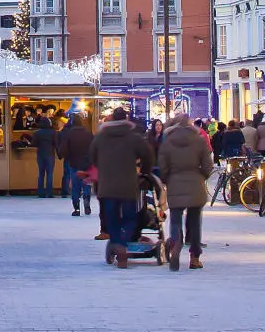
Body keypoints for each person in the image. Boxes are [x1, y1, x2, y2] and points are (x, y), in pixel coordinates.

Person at [90, 106, 155, 268]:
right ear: (126, 119)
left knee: (111, 219)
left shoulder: (101, 137)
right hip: (128, 184)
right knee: (130, 217)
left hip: (107, 185)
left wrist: (103, 169)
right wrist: (145, 171)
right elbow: (148, 155)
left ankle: (118, 243)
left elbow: (92, 156)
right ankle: (123, 244)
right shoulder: (133, 137)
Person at [157, 112, 211, 270]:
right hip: (196, 184)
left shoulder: (167, 143)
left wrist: (167, 179)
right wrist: (201, 176)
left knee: (175, 220)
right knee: (195, 222)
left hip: (175, 184)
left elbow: (163, 167)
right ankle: (194, 257)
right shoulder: (199, 141)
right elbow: (208, 165)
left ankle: (175, 247)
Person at [58, 111, 96, 218]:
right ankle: (87, 199)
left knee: (75, 187)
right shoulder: (88, 134)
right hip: (87, 164)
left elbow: (63, 149)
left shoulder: (69, 135)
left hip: (74, 164)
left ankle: (77, 208)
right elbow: (94, 147)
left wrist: (65, 156)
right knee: (86, 184)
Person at [32, 110, 58, 199]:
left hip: (40, 154)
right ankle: (49, 193)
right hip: (50, 154)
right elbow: (56, 143)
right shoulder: (53, 132)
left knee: (41, 173)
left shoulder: (37, 133)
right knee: (50, 173)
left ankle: (40, 193)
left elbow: (33, 144)